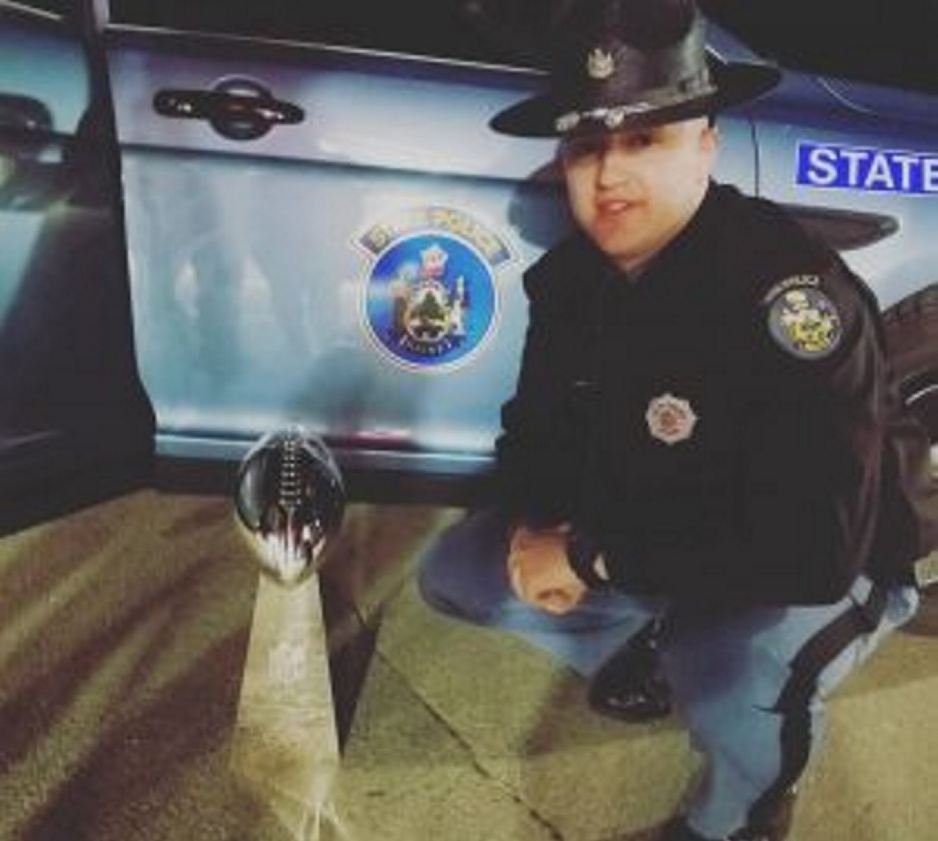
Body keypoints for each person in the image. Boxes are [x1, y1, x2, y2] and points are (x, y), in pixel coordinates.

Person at [417, 1, 938, 840]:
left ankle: (746, 808)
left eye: (646, 139)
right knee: (463, 569)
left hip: (842, 559)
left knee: (728, 674)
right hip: (671, 525)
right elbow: (536, 435)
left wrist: (588, 554)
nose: (611, 174)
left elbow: (809, 552)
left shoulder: (790, 301)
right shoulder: (572, 283)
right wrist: (535, 526)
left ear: (706, 145)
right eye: (588, 147)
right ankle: (661, 636)